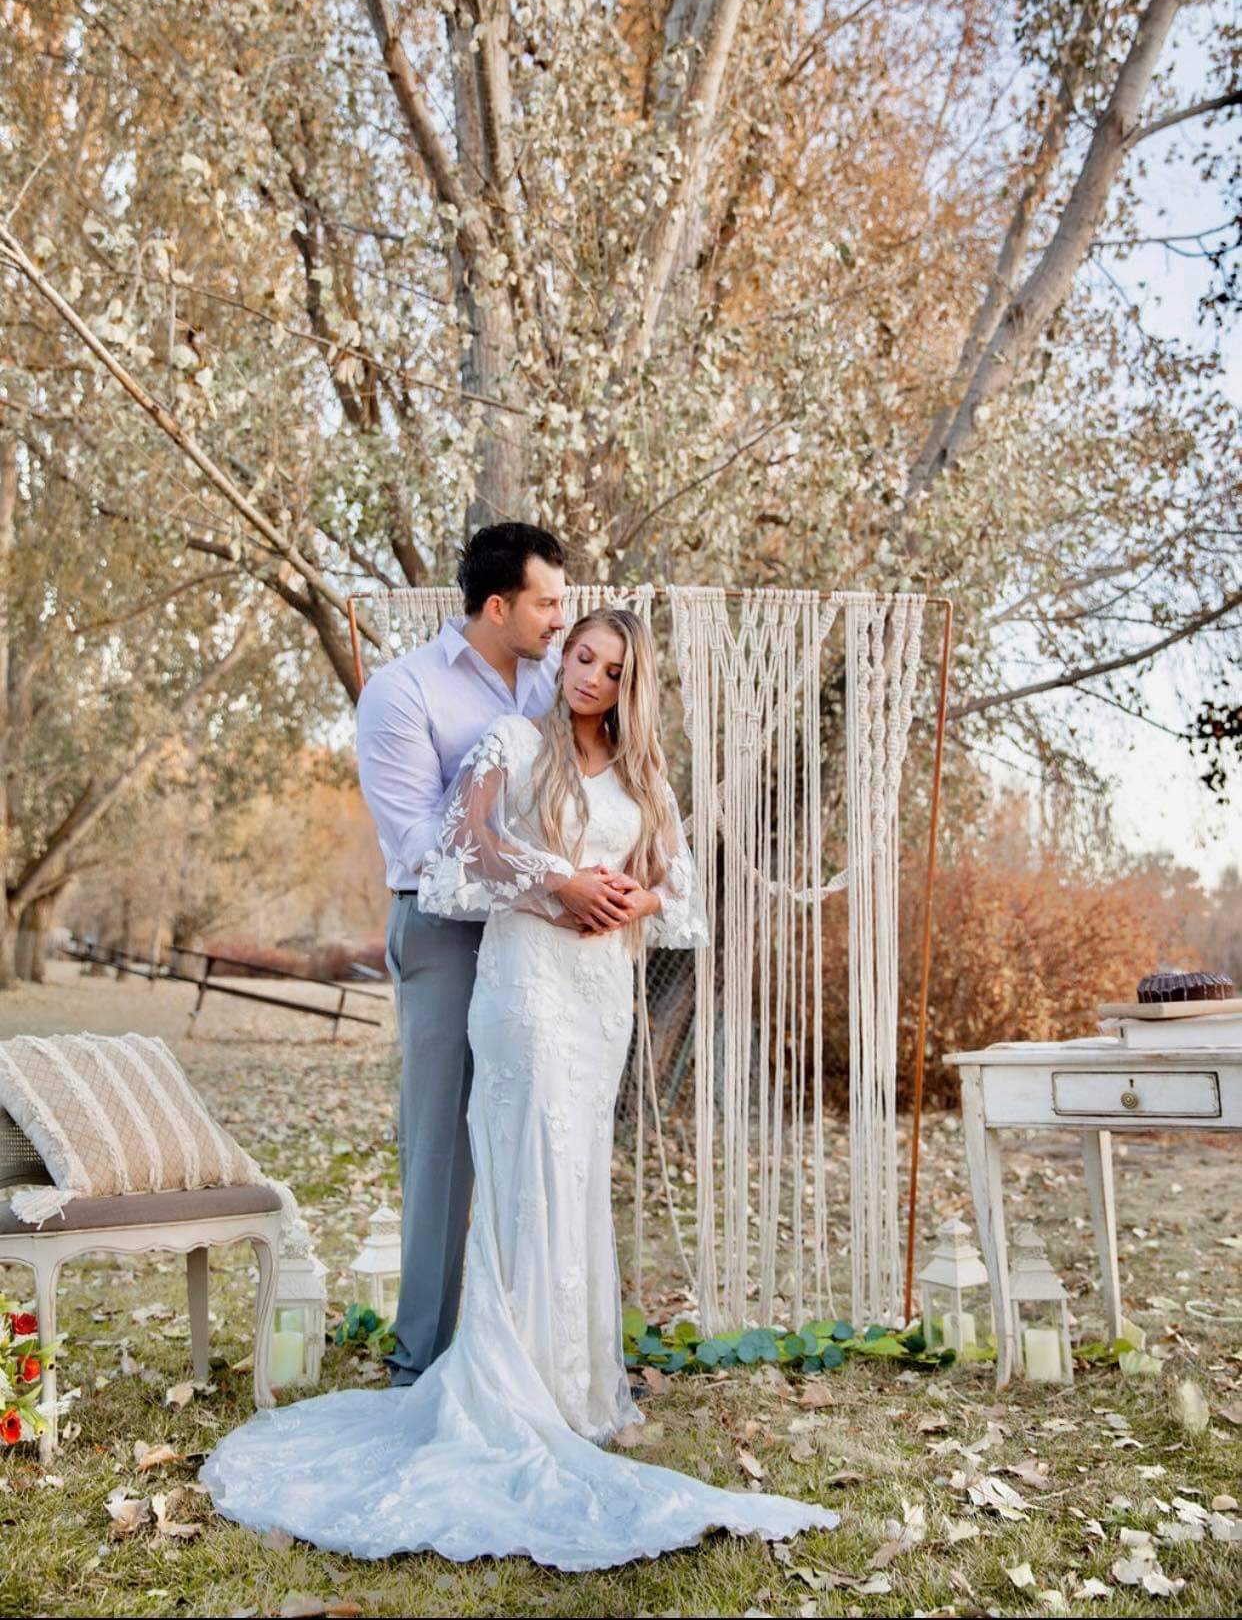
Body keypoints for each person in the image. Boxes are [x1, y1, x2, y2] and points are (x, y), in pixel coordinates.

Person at [199, 610, 838, 1568]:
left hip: (599, 991)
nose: (588, 677)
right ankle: (509, 1383)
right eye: (580, 654)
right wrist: (561, 883)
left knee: (576, 1168)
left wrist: (634, 896)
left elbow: (681, 886)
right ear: (563, 654)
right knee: (523, 1168)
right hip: (527, 980)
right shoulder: (512, 740)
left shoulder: (641, 772)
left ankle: (577, 1388)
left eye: (612, 669)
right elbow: (465, 850)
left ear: (633, 685)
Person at [350, 522, 636, 1386]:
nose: (562, 619)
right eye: (548, 602)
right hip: (445, 935)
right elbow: (421, 850)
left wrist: (616, 891)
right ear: (500, 604)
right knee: (443, 1147)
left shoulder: (563, 679)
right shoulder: (404, 693)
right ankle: (422, 1361)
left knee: (542, 1140)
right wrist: (558, 882)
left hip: (551, 950)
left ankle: (532, 1356)